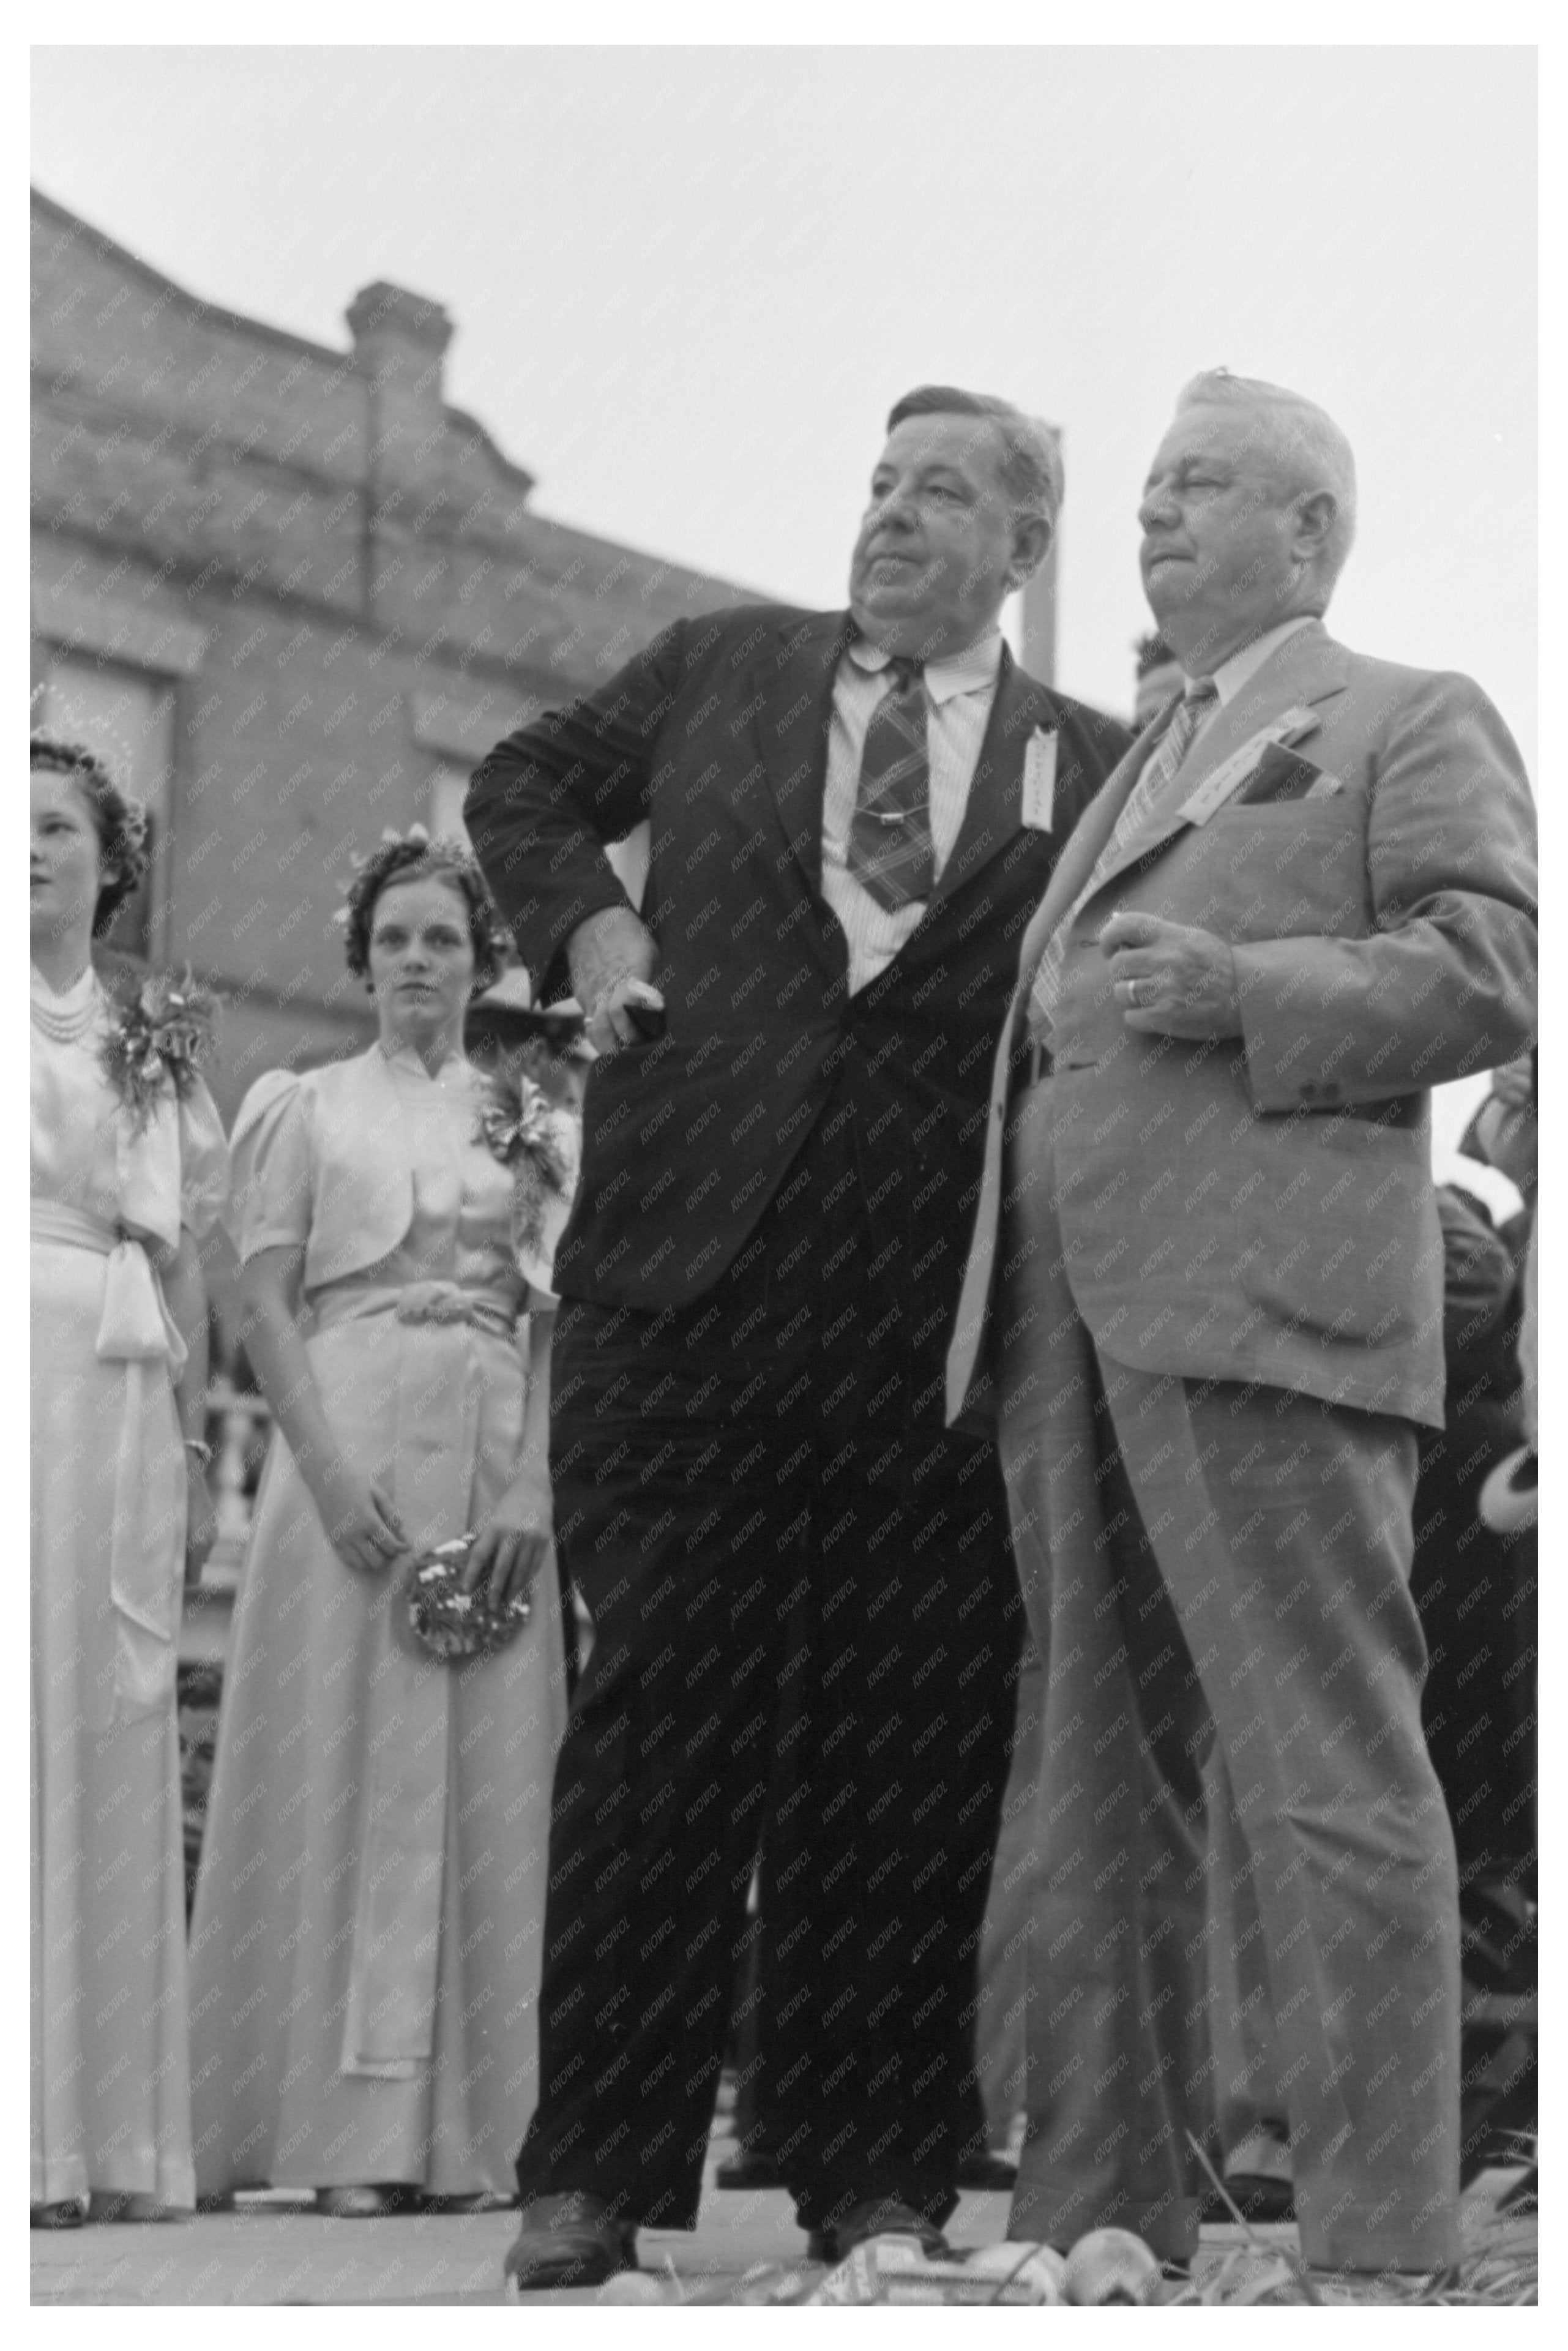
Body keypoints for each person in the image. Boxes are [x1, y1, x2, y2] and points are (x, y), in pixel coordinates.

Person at [467, 386, 1132, 2287]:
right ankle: (591, 2171)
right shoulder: (718, 669)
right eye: (880, 483)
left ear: (1022, 546)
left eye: (944, 493)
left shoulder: (1086, 763)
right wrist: (592, 934)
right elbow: (519, 783)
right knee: (657, 1729)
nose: (893, 515)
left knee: (896, 1759)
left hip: (926, 1333)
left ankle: (874, 2174)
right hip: (677, 1292)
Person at [947, 370, 1537, 2284]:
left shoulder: (1404, 713)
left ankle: (1377, 2234)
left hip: (1271, 1306)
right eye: (1147, 490)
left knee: (1325, 1758)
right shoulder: (1148, 751)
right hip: (1070, 1319)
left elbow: (1491, 968)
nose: (1152, 515)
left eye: (1197, 486)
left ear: (1308, 532)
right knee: (1092, 1770)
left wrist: (1245, 985)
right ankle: (1101, 2212)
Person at [187, 831, 569, 2216]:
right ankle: (335, 2134)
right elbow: (263, 1302)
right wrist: (330, 1475)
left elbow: (552, 1323)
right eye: (395, 939)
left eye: (442, 939)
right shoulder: (303, 1107)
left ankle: (473, 2136)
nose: (417, 960)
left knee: (486, 1769)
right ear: (362, 960)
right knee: (336, 1758)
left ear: (479, 964)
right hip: (346, 1446)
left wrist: (530, 1487)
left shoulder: (531, 1123)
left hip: (486, 1448)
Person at [31, 733, 229, 2226]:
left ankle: (86, 2135)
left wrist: (195, 1439)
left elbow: (179, 1258)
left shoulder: (144, 1039)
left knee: (96, 1713)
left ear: (111, 863)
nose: (28, 844)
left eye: (56, 824)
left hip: (106, 1391)